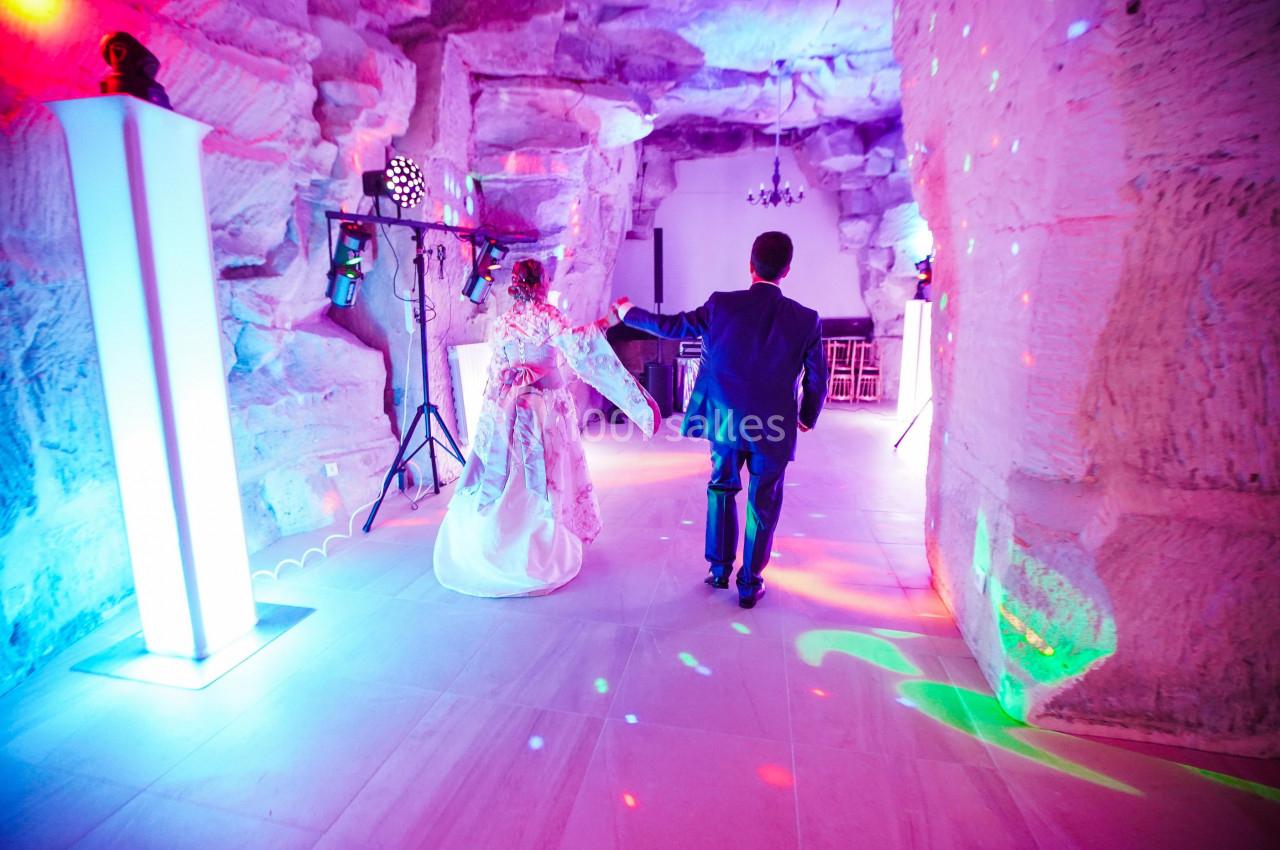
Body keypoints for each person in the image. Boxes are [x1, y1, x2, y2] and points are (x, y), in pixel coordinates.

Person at [612, 231, 826, 608]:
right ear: (787, 270)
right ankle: (749, 583)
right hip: (773, 428)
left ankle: (718, 570)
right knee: (764, 502)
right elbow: (816, 378)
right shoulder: (806, 319)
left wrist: (629, 313)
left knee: (722, 489)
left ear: (750, 264)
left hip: (725, 419)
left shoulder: (722, 306)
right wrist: (807, 416)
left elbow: (672, 327)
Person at [433, 259, 659, 597]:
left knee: (510, 474)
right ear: (541, 283)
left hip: (511, 406)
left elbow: (497, 370)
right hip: (548, 407)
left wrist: (495, 414)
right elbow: (580, 347)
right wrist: (609, 320)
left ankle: (496, 542)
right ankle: (542, 552)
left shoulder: (502, 323)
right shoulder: (549, 317)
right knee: (548, 474)